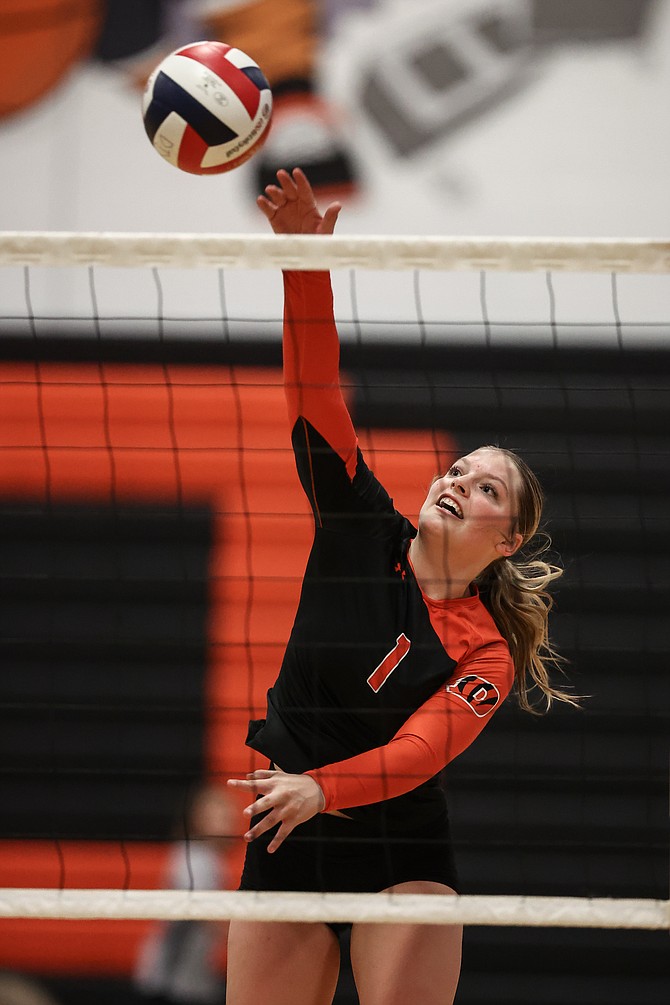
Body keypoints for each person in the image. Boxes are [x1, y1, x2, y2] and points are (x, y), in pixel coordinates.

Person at [226, 168, 576, 1005]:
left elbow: (419, 755)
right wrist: (304, 263)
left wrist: (325, 789)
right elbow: (314, 392)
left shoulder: (484, 651)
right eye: (459, 469)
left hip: (396, 851)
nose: (458, 481)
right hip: (286, 828)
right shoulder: (359, 524)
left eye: (487, 487)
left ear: (510, 537)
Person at [134, 784, 237, 1005]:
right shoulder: (196, 858)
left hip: (190, 978)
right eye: (218, 815)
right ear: (197, 819)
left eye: (228, 814)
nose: (227, 821)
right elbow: (206, 913)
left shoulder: (208, 858)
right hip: (172, 980)